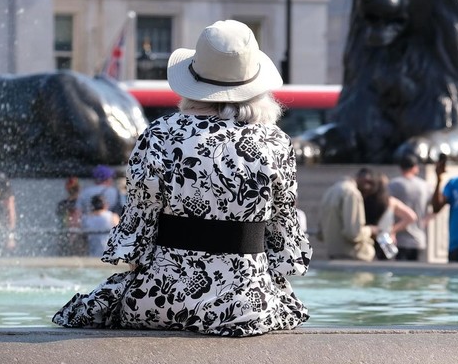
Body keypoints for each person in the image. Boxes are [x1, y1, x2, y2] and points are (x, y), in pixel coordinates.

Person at [53, 20, 311, 336]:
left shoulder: (159, 135)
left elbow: (137, 231)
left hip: (160, 300)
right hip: (246, 305)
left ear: (193, 81)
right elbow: (283, 238)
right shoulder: (276, 143)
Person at [319, 168, 379, 261]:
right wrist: (370, 230)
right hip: (354, 256)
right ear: (365, 180)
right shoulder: (352, 193)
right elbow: (353, 233)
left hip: (333, 254)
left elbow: (320, 233)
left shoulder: (330, 191)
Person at [362, 171, 418, 260]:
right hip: (385, 240)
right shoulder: (391, 202)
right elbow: (411, 217)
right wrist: (392, 230)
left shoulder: (364, 201)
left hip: (368, 240)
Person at [388, 154, 431, 261]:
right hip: (418, 239)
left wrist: (392, 230)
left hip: (399, 239)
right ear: (415, 167)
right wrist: (426, 220)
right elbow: (438, 205)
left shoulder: (394, 185)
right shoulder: (425, 186)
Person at [56, 176, 87, 256]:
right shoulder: (82, 203)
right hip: (79, 235)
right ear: (79, 189)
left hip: (64, 234)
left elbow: (60, 219)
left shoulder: (62, 204)